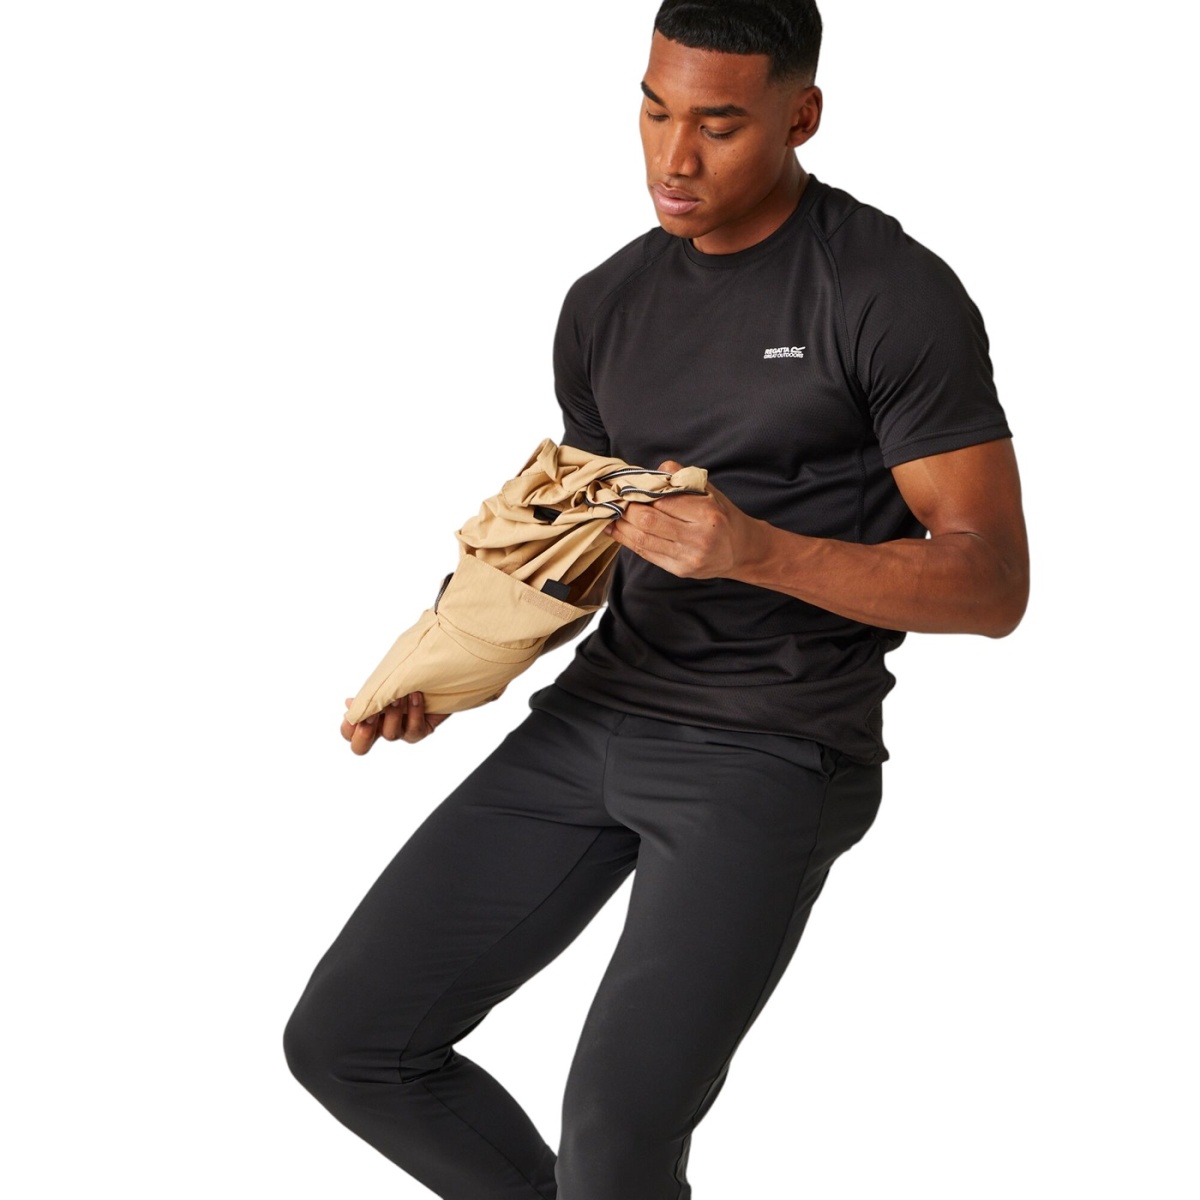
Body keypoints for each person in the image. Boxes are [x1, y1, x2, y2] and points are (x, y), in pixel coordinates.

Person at [283, 2, 1029, 1197]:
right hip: (598, 714)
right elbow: (578, 536)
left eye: (719, 126)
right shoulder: (606, 302)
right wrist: (452, 666)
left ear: (801, 116)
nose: (675, 158)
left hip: (774, 745)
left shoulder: (887, 293)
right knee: (351, 1042)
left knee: (615, 1142)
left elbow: (993, 583)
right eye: (654, 110)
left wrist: (755, 550)